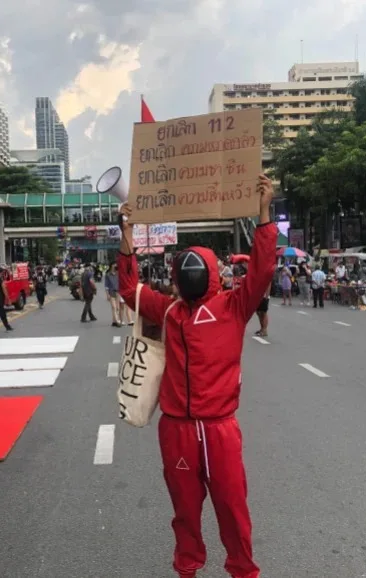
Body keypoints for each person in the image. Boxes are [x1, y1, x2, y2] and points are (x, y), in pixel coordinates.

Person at [117, 173, 276, 578]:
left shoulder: (234, 307)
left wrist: (263, 213)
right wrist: (127, 234)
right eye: (184, 270)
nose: (188, 275)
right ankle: (187, 568)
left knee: (232, 509)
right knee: (184, 513)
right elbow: (129, 287)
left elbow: (260, 271)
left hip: (219, 429)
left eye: (194, 269)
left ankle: (243, 570)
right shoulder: (169, 311)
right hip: (178, 430)